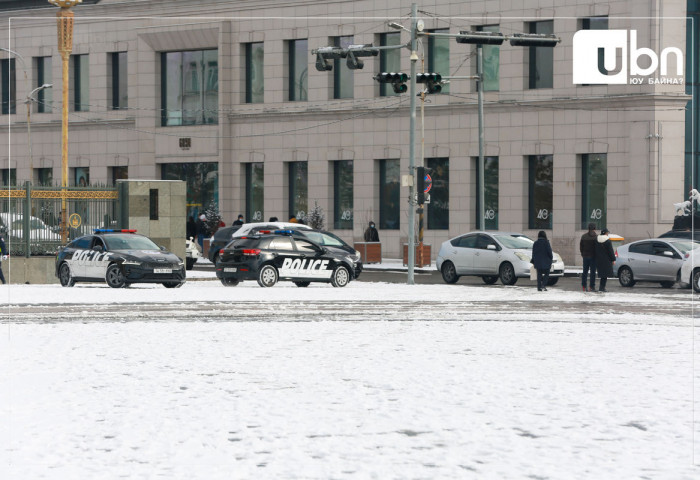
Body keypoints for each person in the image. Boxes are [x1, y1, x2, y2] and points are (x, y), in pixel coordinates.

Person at [595, 228, 616, 293]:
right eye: (607, 233)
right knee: (605, 275)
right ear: (606, 233)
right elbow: (610, 251)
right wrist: (613, 259)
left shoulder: (596, 240)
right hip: (606, 260)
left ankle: (601, 287)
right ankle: (602, 288)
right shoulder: (607, 241)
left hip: (598, 259)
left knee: (602, 274)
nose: (608, 234)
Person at [580, 222, 598, 292]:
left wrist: (582, 254)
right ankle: (591, 287)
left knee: (585, 272)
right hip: (593, 257)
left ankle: (584, 286)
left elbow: (581, 246)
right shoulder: (596, 237)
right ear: (594, 228)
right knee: (593, 272)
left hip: (585, 256)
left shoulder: (583, 236)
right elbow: (597, 248)